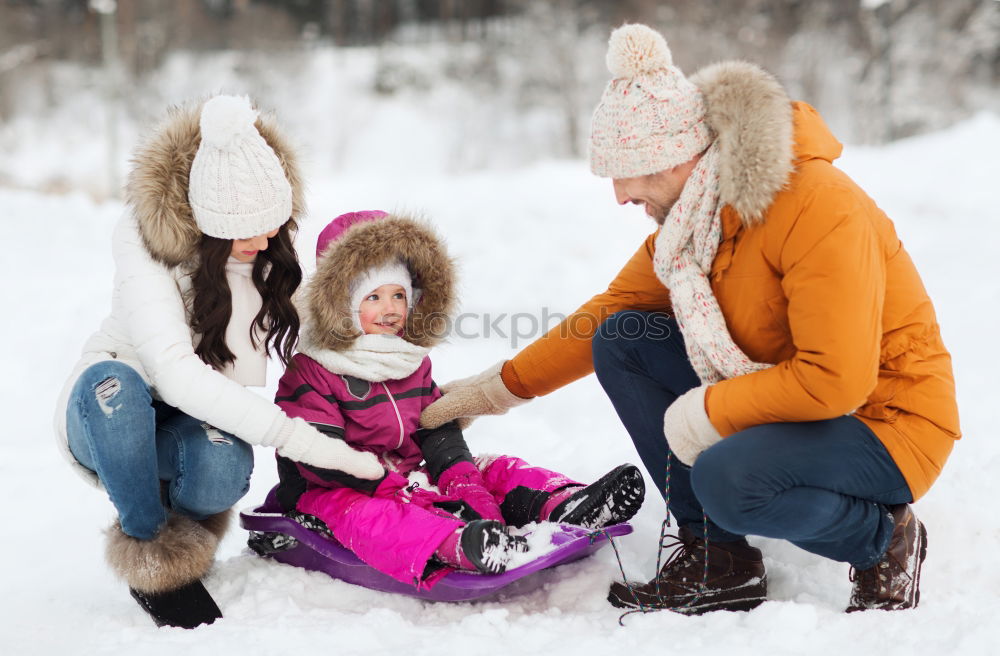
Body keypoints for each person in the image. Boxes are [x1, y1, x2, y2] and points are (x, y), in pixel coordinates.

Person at [419, 24, 960, 614]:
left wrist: (708, 411)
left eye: (626, 174)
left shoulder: (817, 205)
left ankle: (883, 541)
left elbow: (838, 379)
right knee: (623, 338)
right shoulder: (694, 225)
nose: (621, 196)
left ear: (674, 159)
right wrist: (491, 391)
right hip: (797, 402)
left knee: (730, 479)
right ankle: (718, 558)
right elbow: (607, 312)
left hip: (886, 420)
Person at [54, 95, 383, 629]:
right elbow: (175, 373)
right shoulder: (144, 239)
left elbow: (321, 324)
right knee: (112, 386)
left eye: (273, 224)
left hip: (188, 420)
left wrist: (388, 340)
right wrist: (303, 440)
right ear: (210, 224)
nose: (266, 238)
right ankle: (151, 551)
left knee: (226, 470)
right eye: (247, 229)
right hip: (108, 412)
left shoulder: (262, 243)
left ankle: (180, 523)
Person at [270, 210, 646, 588]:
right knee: (374, 518)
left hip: (409, 475)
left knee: (495, 468)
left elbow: (435, 432)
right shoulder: (314, 368)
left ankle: (566, 503)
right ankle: (458, 545)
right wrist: (392, 488)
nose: (390, 309)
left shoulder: (409, 360)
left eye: (398, 295)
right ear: (341, 305)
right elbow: (315, 453)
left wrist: (464, 484)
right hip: (335, 490)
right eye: (374, 296)